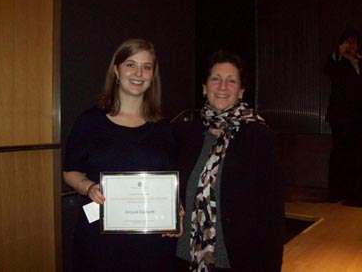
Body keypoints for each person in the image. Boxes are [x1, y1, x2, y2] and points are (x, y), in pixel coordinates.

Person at [63, 38, 181, 272]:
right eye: (130, 64)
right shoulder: (89, 122)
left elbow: (171, 180)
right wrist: (88, 187)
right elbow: (70, 171)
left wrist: (176, 212)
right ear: (116, 71)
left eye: (147, 67)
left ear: (152, 76)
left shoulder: (163, 127)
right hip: (100, 241)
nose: (139, 73)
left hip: (151, 242)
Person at [175, 50, 284, 272]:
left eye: (231, 81)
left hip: (237, 260)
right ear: (204, 88)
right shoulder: (184, 134)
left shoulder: (260, 138)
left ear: (241, 91)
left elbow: (272, 213)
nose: (222, 87)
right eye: (216, 79)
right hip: (185, 258)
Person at [324, 28, 362, 206]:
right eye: (349, 41)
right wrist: (338, 52)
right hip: (342, 117)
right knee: (341, 154)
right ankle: (337, 192)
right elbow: (328, 69)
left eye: (355, 41)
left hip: (358, 117)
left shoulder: (360, 61)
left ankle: (354, 194)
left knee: (357, 155)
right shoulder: (338, 62)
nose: (352, 45)